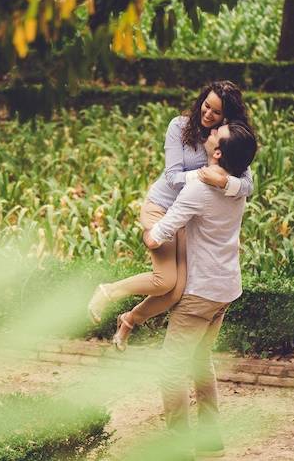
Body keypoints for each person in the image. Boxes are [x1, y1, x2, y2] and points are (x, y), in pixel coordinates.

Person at [87, 81, 254, 350]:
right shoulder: (179, 127)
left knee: (176, 292)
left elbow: (247, 183)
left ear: (228, 117)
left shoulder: (228, 141)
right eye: (206, 105)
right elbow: (174, 178)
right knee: (165, 280)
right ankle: (107, 291)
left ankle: (128, 320)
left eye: (216, 112)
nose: (207, 114)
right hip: (162, 208)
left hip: (187, 218)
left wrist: (224, 182)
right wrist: (204, 175)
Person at [144, 121, 257, 458]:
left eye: (213, 137)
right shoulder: (236, 187)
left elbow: (161, 233)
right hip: (224, 288)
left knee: (171, 369)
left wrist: (147, 234)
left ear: (218, 152)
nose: (209, 135)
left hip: (199, 293)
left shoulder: (198, 191)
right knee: (199, 360)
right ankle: (211, 439)